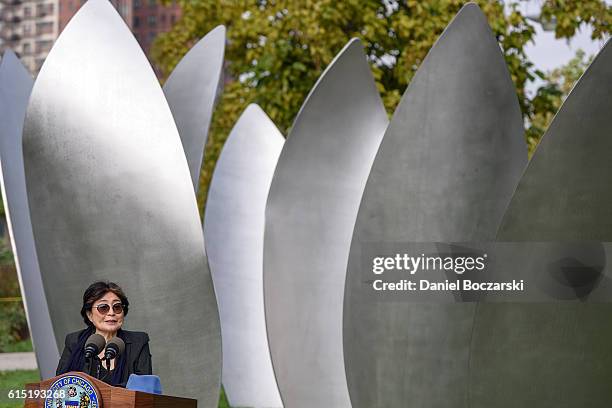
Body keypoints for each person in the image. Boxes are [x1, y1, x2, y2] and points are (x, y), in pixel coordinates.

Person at [56, 281, 152, 387]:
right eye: (103, 307)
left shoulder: (138, 342)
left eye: (117, 307)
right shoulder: (74, 341)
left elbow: (144, 388)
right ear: (89, 315)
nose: (111, 313)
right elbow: (59, 384)